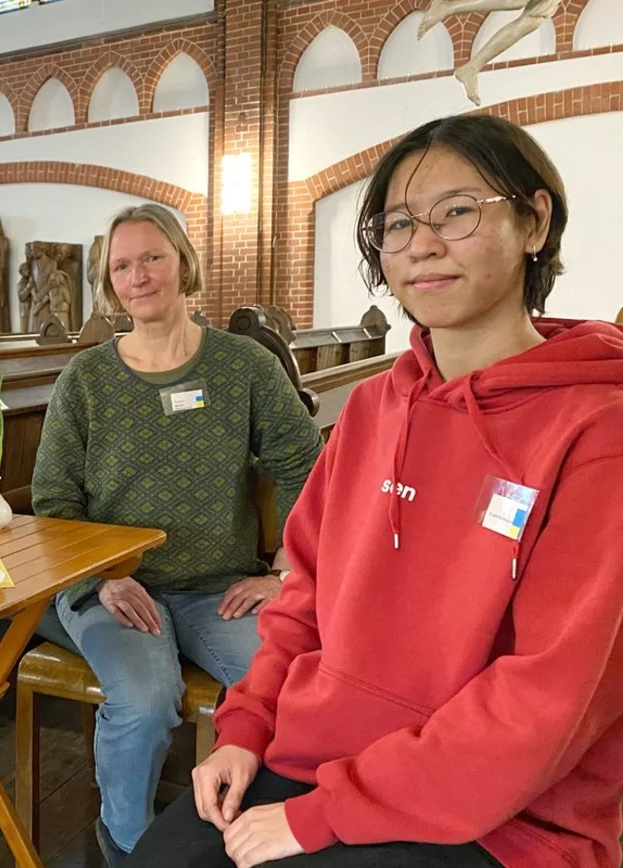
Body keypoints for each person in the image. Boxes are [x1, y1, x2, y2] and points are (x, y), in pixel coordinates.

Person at [126, 115, 623, 868]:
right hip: (317, 757)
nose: (422, 243)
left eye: (458, 210)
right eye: (397, 223)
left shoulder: (596, 429)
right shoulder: (371, 407)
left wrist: (325, 815)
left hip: (502, 817)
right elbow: (304, 595)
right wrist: (245, 730)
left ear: (534, 221)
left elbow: (541, 704)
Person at [31, 203, 324, 863]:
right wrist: (105, 576)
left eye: (153, 257)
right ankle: (129, 847)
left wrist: (286, 570)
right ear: (110, 283)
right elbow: (53, 501)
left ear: (182, 264)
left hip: (217, 585)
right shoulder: (86, 379)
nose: (140, 276)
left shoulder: (242, 366)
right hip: (109, 586)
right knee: (144, 699)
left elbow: (306, 463)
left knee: (288, 681)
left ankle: (262, 839)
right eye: (123, 265)